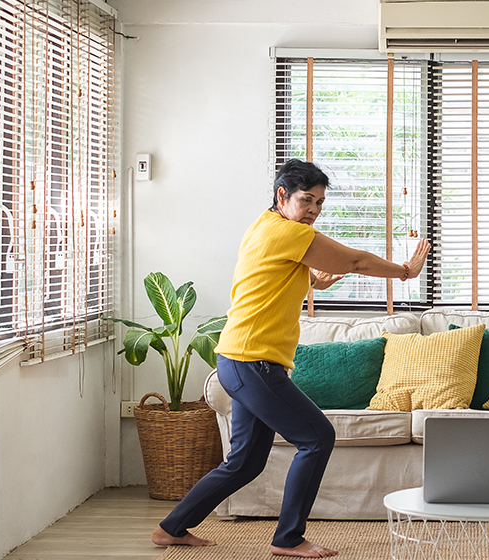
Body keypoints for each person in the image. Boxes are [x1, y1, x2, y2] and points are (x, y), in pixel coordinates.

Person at [151, 159, 431, 558]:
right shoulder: (286, 232)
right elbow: (354, 260)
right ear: (282, 195)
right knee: (317, 438)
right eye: (306, 200)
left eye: (319, 202)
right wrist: (406, 271)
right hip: (253, 363)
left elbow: (270, 274)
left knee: (246, 462)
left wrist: (313, 280)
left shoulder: (266, 226)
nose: (314, 209)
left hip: (239, 360)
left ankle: (171, 527)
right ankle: (289, 539)